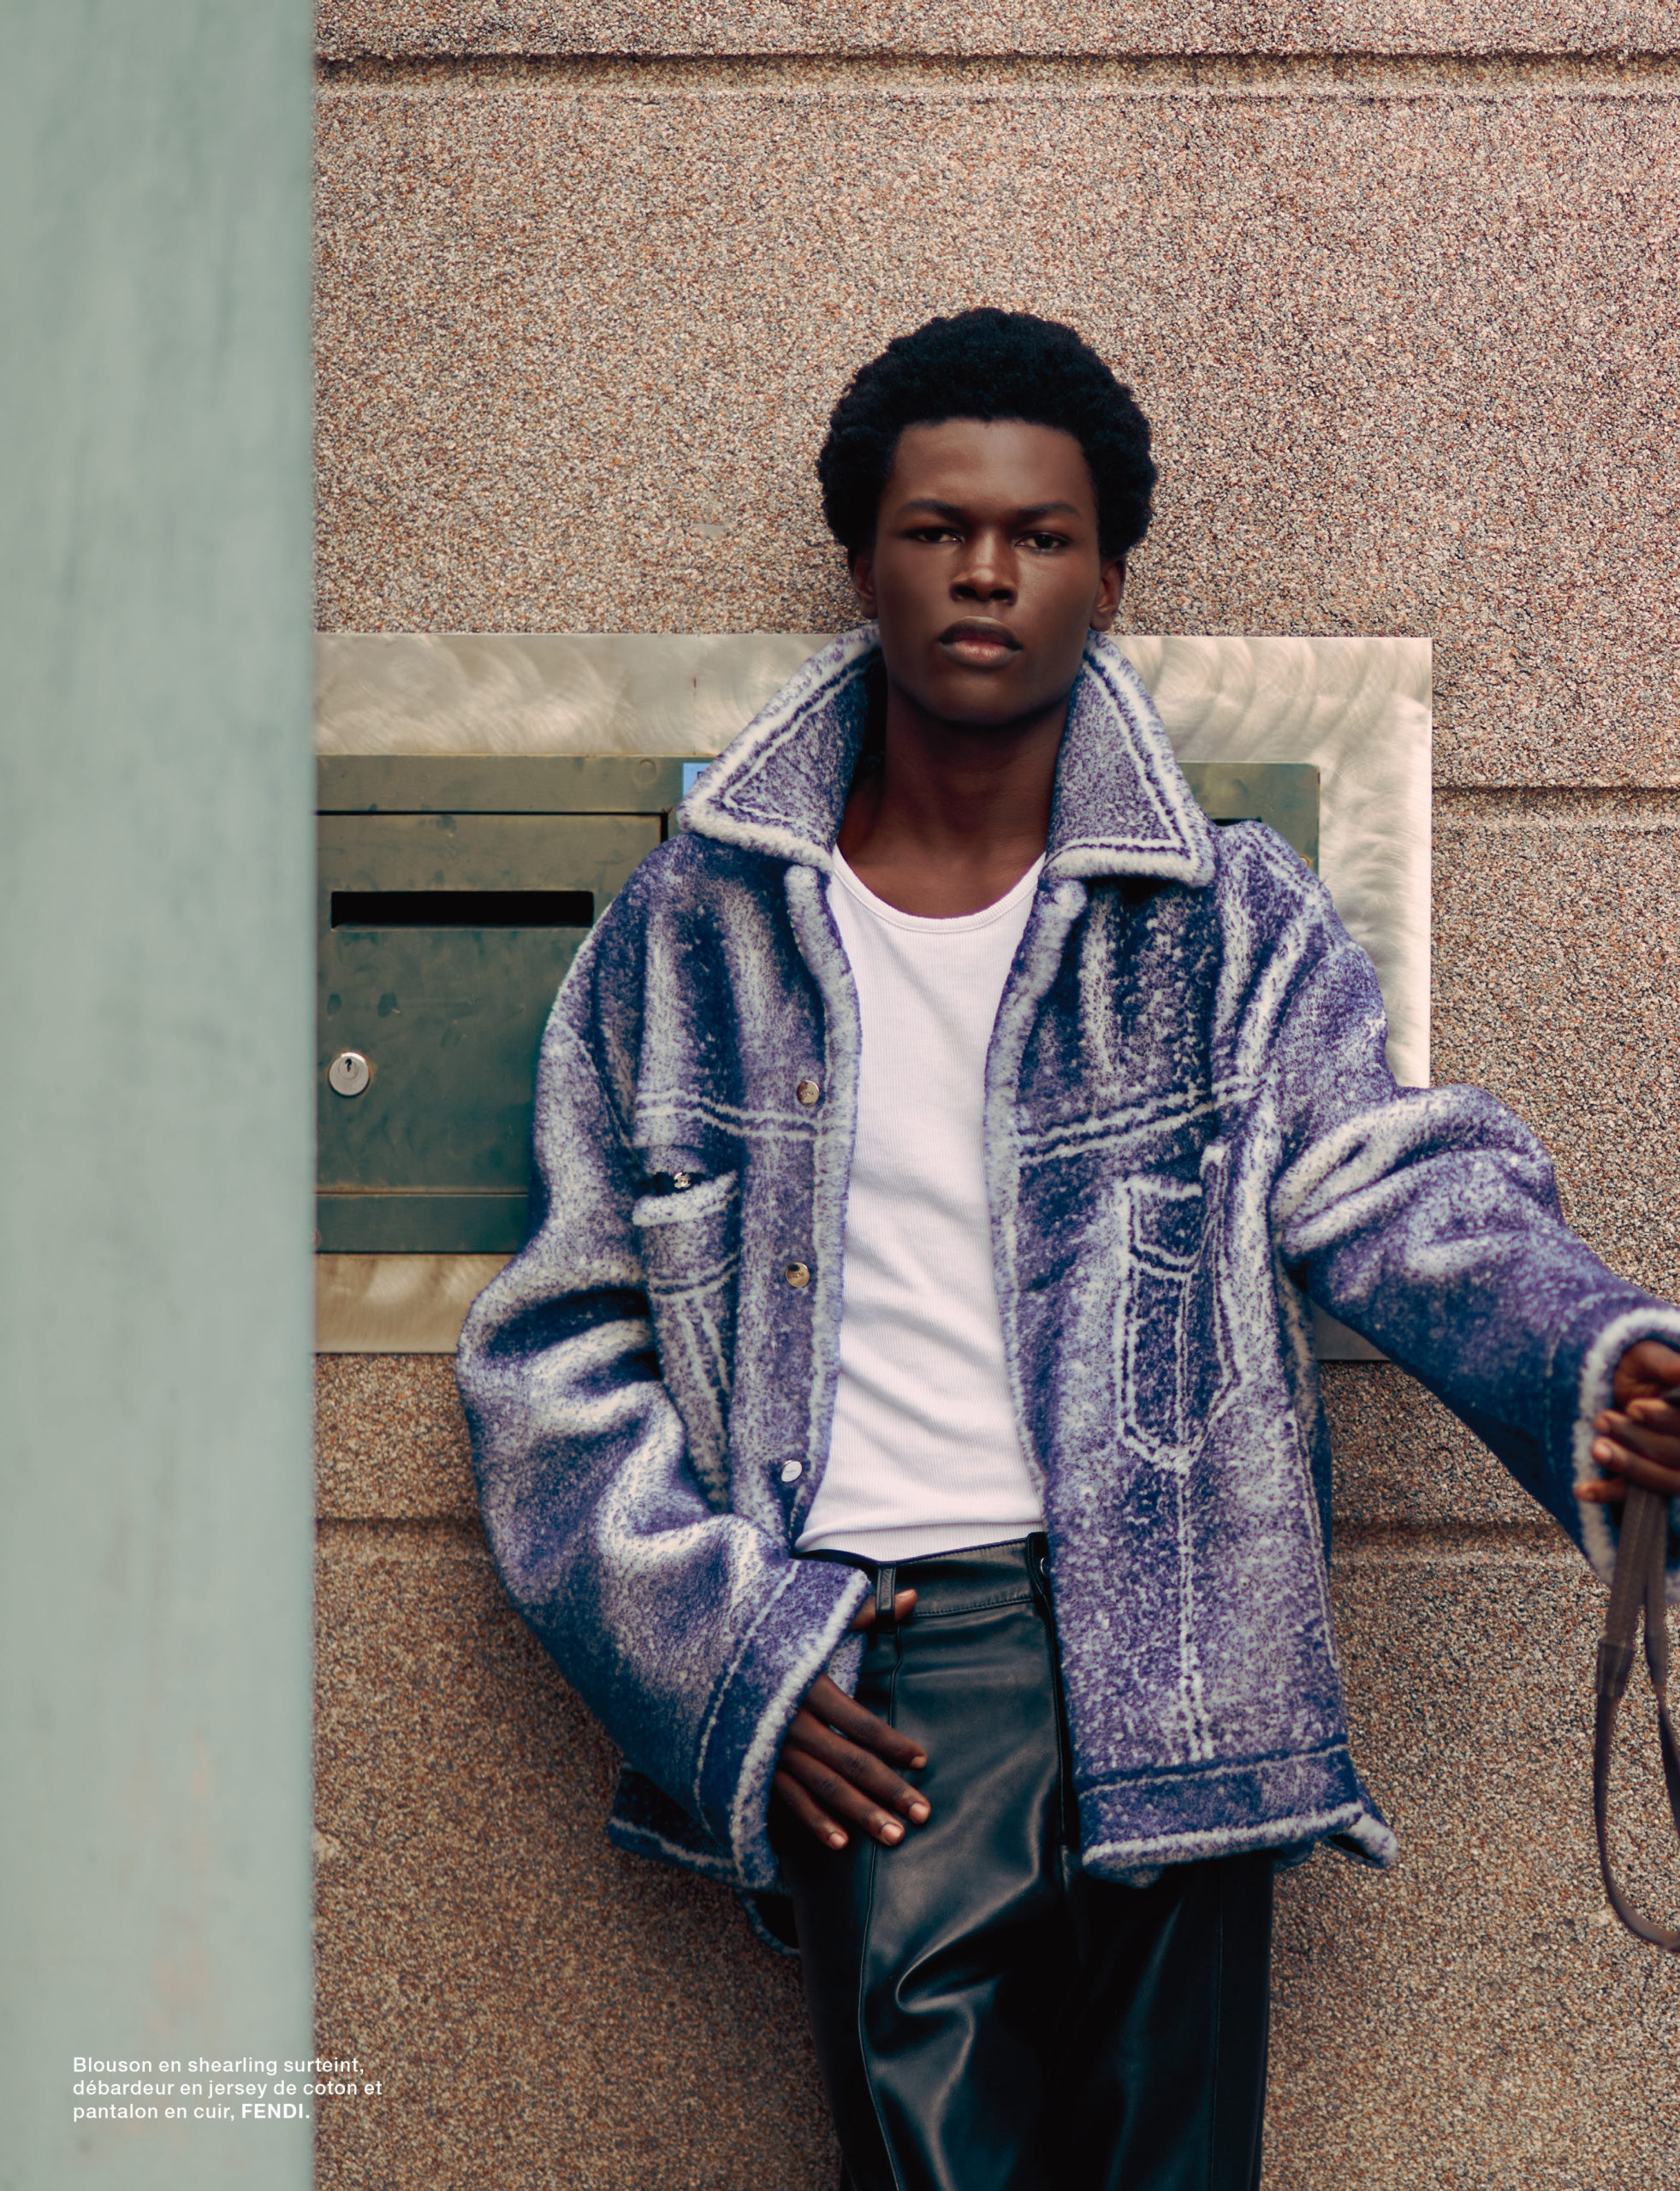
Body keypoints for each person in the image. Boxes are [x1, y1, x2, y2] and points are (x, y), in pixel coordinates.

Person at [456, 308, 1680, 2191]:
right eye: (937, 529)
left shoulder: (1226, 919)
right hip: (880, 1660)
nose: (985, 572)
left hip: (1183, 1651)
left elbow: (1387, 1178)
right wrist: (736, 1660)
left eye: (1038, 536)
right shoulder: (696, 931)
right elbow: (555, 1349)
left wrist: (1588, 1356)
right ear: (863, 562)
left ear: (1106, 581)